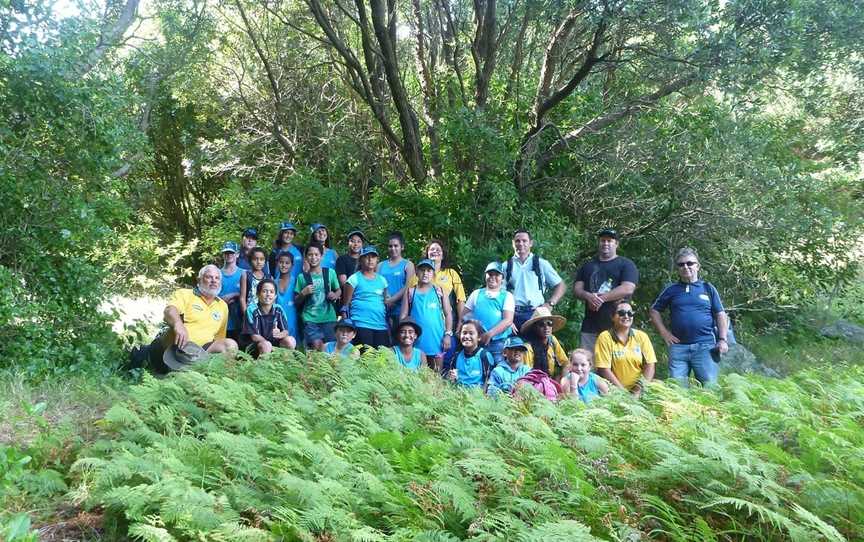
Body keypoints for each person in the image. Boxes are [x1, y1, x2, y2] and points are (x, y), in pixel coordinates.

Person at [649, 247, 729, 387]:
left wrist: (722, 340)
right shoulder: (671, 289)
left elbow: (720, 314)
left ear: (697, 266)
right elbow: (654, 311)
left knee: (709, 389)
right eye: (681, 264)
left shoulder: (708, 288)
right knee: (677, 391)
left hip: (705, 346)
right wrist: (664, 333)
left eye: (690, 263)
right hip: (678, 347)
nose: (685, 267)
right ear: (677, 268)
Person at [573, 228, 639, 354]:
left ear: (616, 244)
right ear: (599, 242)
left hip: (618, 326)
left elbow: (628, 287)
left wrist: (601, 299)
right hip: (590, 326)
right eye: (603, 240)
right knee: (587, 365)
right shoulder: (588, 265)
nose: (606, 243)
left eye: (610, 241)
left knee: (616, 367)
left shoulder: (626, 264)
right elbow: (577, 289)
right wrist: (588, 296)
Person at [408, 239, 466, 363]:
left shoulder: (451, 273)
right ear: (427, 253)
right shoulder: (417, 275)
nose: (435, 251)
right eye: (432, 249)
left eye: (438, 249)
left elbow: (460, 299)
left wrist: (461, 322)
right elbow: (410, 298)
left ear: (443, 254)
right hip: (420, 328)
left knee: (444, 361)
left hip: (445, 326)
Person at [163, 264, 238, 355]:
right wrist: (178, 324)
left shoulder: (222, 306)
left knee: (230, 345)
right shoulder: (185, 294)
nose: (213, 281)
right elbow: (170, 310)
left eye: (217, 278)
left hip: (203, 351)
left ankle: (220, 369)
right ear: (199, 280)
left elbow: (219, 337)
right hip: (179, 346)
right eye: (209, 277)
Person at [502, 229, 566, 331]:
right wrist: (506, 319)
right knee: (515, 346)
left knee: (538, 345)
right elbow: (500, 294)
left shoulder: (541, 264)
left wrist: (550, 304)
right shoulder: (506, 266)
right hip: (513, 313)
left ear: (531, 243)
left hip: (536, 313)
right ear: (513, 243)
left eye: (524, 241)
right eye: (517, 241)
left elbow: (560, 285)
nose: (521, 243)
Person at [595, 301, 656, 398]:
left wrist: (637, 391)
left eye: (630, 313)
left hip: (640, 390)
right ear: (612, 317)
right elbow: (604, 369)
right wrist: (623, 394)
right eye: (621, 313)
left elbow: (650, 365)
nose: (626, 316)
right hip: (612, 390)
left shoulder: (642, 336)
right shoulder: (605, 337)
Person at [400, 258, 453, 371]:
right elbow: (403, 316)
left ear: (433, 273)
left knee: (436, 375)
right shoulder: (410, 292)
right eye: (422, 270)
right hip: (415, 341)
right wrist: (405, 336)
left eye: (429, 271)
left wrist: (448, 335)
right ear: (417, 272)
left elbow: (448, 314)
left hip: (437, 340)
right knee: (416, 376)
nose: (425, 273)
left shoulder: (440, 291)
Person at [463, 262, 515, 366]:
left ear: (502, 278)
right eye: (490, 274)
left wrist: (490, 334)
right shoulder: (476, 293)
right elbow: (464, 315)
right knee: (477, 368)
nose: (493, 277)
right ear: (485, 276)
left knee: (498, 369)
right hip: (476, 341)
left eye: (497, 275)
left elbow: (508, 320)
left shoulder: (507, 296)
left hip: (497, 342)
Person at [295, 243, 341, 351]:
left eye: (316, 254)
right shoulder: (302, 277)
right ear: (306, 257)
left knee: (330, 349)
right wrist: (303, 293)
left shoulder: (330, 273)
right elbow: (296, 301)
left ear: (321, 256)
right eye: (310, 255)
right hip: (310, 319)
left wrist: (335, 295)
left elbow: (339, 290)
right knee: (317, 345)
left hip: (329, 317)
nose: (313, 257)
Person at [343, 246, 391, 348]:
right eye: (367, 257)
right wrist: (347, 326)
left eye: (373, 257)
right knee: (364, 357)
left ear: (377, 260)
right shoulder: (354, 279)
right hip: (361, 324)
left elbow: (386, 301)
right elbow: (345, 305)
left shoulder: (382, 280)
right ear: (361, 260)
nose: (370, 260)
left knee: (382, 359)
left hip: (380, 324)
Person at [242, 279, 296, 356]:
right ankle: (261, 366)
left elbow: (286, 331)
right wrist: (271, 347)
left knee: (291, 340)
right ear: (258, 294)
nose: (268, 294)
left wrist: (279, 335)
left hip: (272, 344)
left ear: (275, 296)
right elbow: (254, 337)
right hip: (256, 345)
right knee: (266, 345)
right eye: (264, 291)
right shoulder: (251, 310)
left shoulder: (278, 309)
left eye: (271, 292)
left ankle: (285, 364)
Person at [379, 231, 415, 340]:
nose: (393, 248)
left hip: (401, 310)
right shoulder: (380, 265)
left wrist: (392, 300)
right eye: (390, 246)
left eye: (396, 246)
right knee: (384, 344)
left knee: (399, 341)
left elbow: (408, 287)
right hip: (382, 309)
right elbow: (376, 284)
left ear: (402, 247)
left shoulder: (408, 265)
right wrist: (386, 299)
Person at [520, 306, 569, 378]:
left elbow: (566, 363)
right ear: (535, 327)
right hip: (533, 382)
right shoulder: (528, 348)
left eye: (549, 323)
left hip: (550, 381)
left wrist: (563, 380)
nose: (546, 327)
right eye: (541, 324)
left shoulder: (552, 340)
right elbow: (526, 375)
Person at [447, 319, 494, 389]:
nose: (466, 336)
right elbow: (451, 380)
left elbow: (489, 381)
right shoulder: (456, 356)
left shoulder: (484, 355)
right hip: (459, 394)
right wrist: (451, 378)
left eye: (471, 333)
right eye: (464, 333)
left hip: (477, 396)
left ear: (479, 337)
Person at [218, 241, 245, 342]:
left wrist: (235, 294)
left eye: (231, 253)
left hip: (239, 319)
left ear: (237, 254)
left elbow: (250, 295)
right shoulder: (217, 274)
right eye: (226, 253)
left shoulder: (244, 273)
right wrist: (223, 299)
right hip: (221, 319)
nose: (229, 255)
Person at [274, 251, 299, 340]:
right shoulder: (273, 282)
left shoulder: (296, 281)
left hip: (293, 317)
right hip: (277, 319)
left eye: (287, 263)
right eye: (281, 262)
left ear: (292, 265)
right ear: (277, 264)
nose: (284, 265)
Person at [239, 247, 271, 317]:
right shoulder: (246, 275)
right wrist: (247, 315)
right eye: (255, 259)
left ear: (265, 261)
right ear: (250, 260)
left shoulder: (268, 277)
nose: (258, 262)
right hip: (250, 312)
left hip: (265, 314)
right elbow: (242, 298)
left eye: (261, 259)